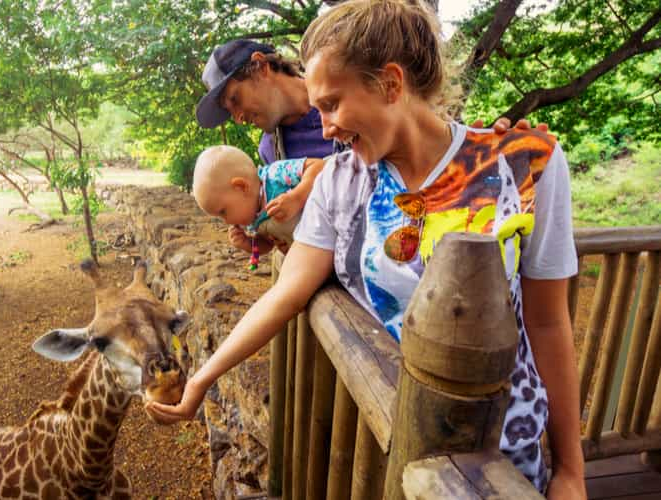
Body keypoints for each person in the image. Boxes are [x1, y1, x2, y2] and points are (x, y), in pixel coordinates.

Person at [152, 1, 585, 498]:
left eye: (333, 105)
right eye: (318, 110)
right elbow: (286, 293)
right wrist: (203, 377)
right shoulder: (340, 181)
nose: (327, 128)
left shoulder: (526, 166)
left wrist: (571, 470)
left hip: (503, 453)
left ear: (392, 84)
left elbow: (549, 322)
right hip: (388, 439)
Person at [195, 38, 547, 254]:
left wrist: (488, 149)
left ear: (259, 67)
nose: (238, 117)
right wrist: (264, 241)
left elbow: (431, 150)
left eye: (236, 100)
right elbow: (302, 239)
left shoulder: (358, 95)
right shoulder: (271, 155)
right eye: (231, 112)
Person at [192, 145, 325, 264]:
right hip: (308, 257)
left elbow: (319, 166)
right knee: (280, 264)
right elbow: (268, 244)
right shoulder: (253, 219)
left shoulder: (275, 175)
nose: (226, 222)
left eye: (223, 212)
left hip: (328, 236)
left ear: (241, 187)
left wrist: (297, 197)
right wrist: (248, 243)